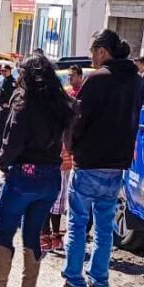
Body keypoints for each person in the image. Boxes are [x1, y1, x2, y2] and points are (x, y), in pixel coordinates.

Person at [41, 29, 144, 287]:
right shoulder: (136, 80)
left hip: (89, 163)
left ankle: (73, 284)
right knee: (103, 228)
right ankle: (97, 286)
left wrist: (70, 148)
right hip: (117, 164)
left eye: (92, 51)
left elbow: (78, 119)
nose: (90, 57)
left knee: (76, 224)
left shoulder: (97, 79)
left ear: (102, 51)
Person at [0, 54, 75, 287]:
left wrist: (2, 161)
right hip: (50, 178)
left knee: (5, 232)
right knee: (33, 235)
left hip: (23, 174)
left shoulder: (23, 102)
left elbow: (13, 139)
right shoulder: (62, 104)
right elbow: (71, 138)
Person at [40, 64, 84, 254]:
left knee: (50, 197)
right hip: (64, 156)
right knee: (57, 197)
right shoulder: (69, 101)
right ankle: (52, 235)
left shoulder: (57, 104)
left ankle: (49, 235)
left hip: (57, 157)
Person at [0, 62, 15, 146]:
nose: (3, 72)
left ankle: (3, 147)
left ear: (10, 71)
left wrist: (9, 104)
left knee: (6, 128)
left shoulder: (12, 82)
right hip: (1, 107)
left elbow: (14, 95)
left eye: (5, 71)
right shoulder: (3, 80)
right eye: (2, 71)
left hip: (8, 109)